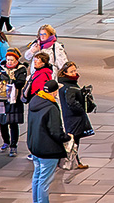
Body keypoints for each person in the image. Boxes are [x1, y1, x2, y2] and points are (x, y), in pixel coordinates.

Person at [24, 75, 68, 203]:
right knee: (44, 181)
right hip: (48, 149)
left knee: (37, 177)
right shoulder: (51, 107)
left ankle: (36, 201)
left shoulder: (35, 101)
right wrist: (66, 137)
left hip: (35, 146)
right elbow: (55, 131)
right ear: (54, 92)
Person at [0, 48, 28, 156]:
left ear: (16, 60)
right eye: (8, 59)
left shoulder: (21, 69)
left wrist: (10, 80)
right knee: (2, 122)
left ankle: (13, 146)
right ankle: (6, 141)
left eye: (12, 60)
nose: (9, 62)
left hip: (13, 100)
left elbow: (20, 83)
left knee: (13, 123)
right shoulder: (1, 68)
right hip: (1, 98)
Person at [56, 61, 94, 170]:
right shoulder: (68, 86)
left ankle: (73, 161)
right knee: (73, 140)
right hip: (73, 117)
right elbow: (71, 103)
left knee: (73, 140)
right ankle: (71, 161)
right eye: (71, 71)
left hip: (71, 117)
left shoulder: (68, 83)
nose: (74, 73)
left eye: (75, 70)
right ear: (65, 73)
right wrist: (82, 109)